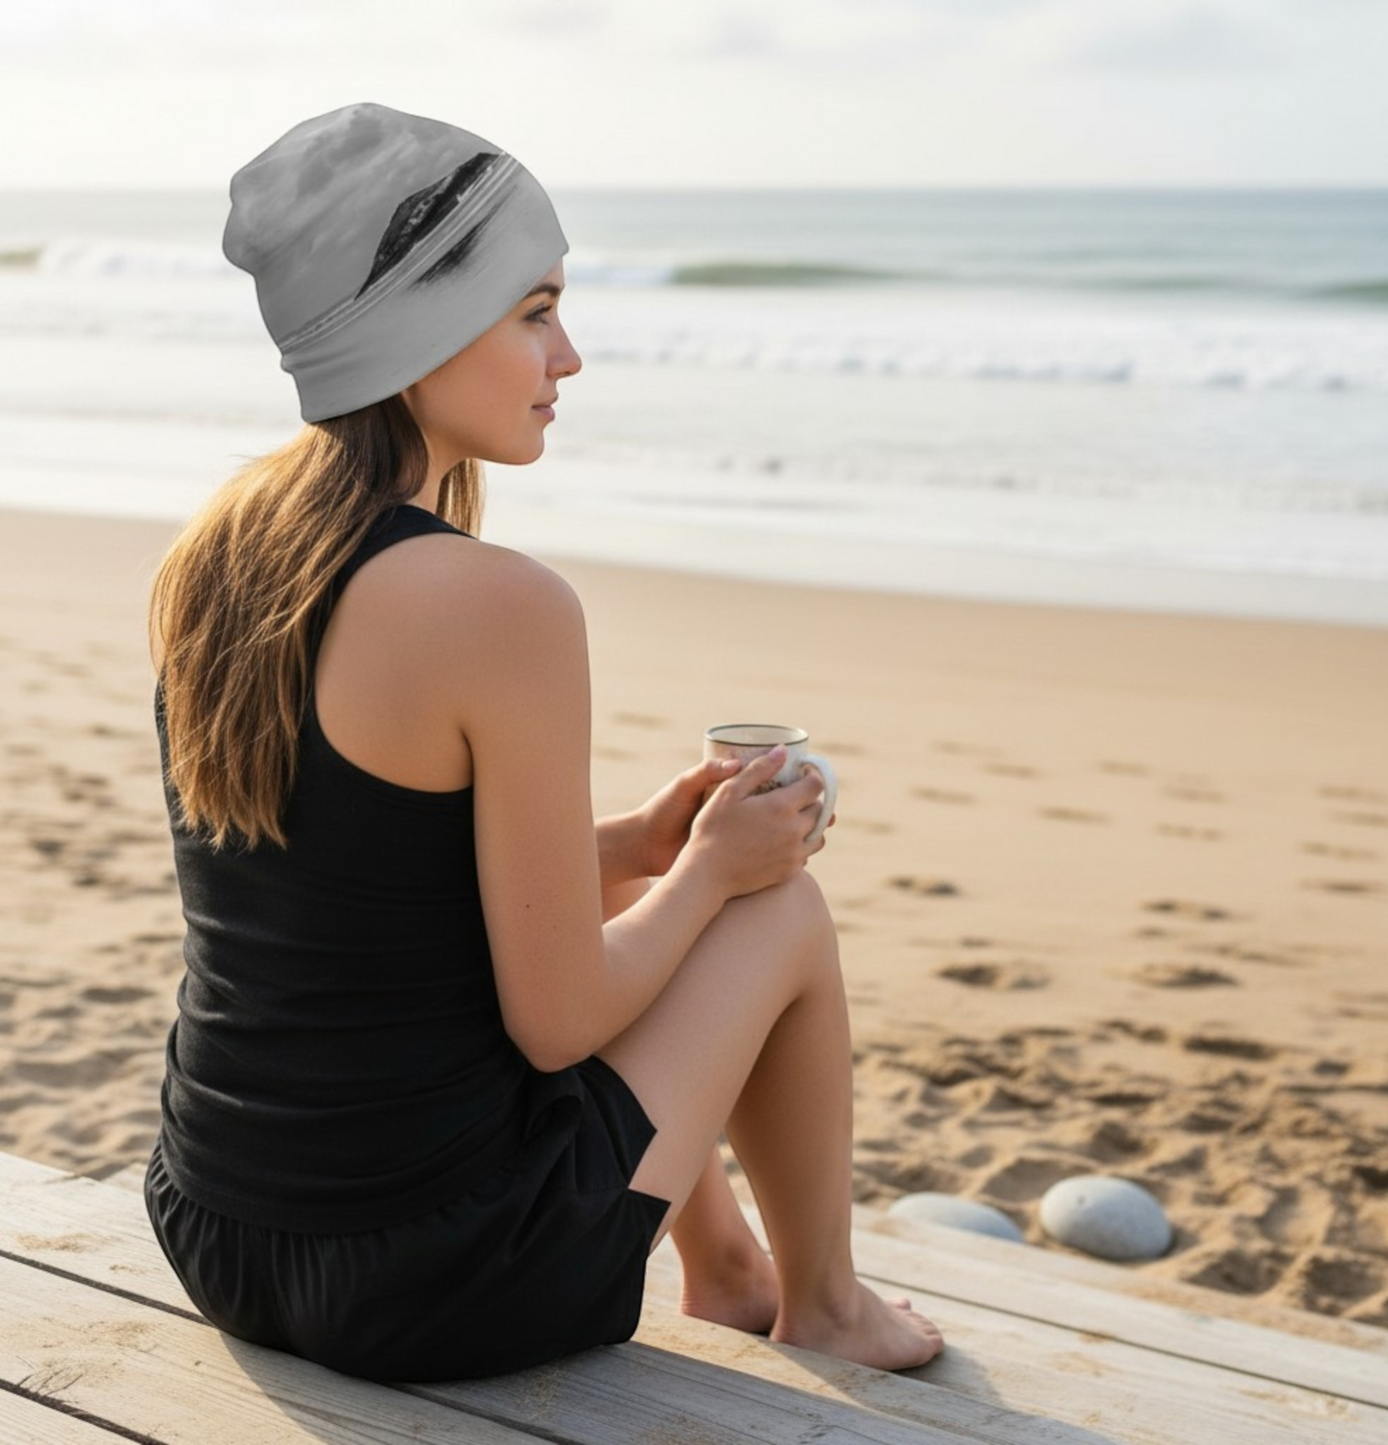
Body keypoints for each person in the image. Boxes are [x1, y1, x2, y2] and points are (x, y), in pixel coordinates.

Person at [143, 101, 943, 1383]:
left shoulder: (218, 557)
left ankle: (727, 1268)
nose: (566, 356)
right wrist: (714, 872)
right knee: (774, 912)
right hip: (428, 1274)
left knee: (613, 876)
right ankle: (829, 1303)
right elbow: (559, 1020)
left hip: (220, 1227)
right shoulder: (497, 602)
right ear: (417, 326)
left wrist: (637, 842)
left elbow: (354, 873)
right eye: (534, 310)